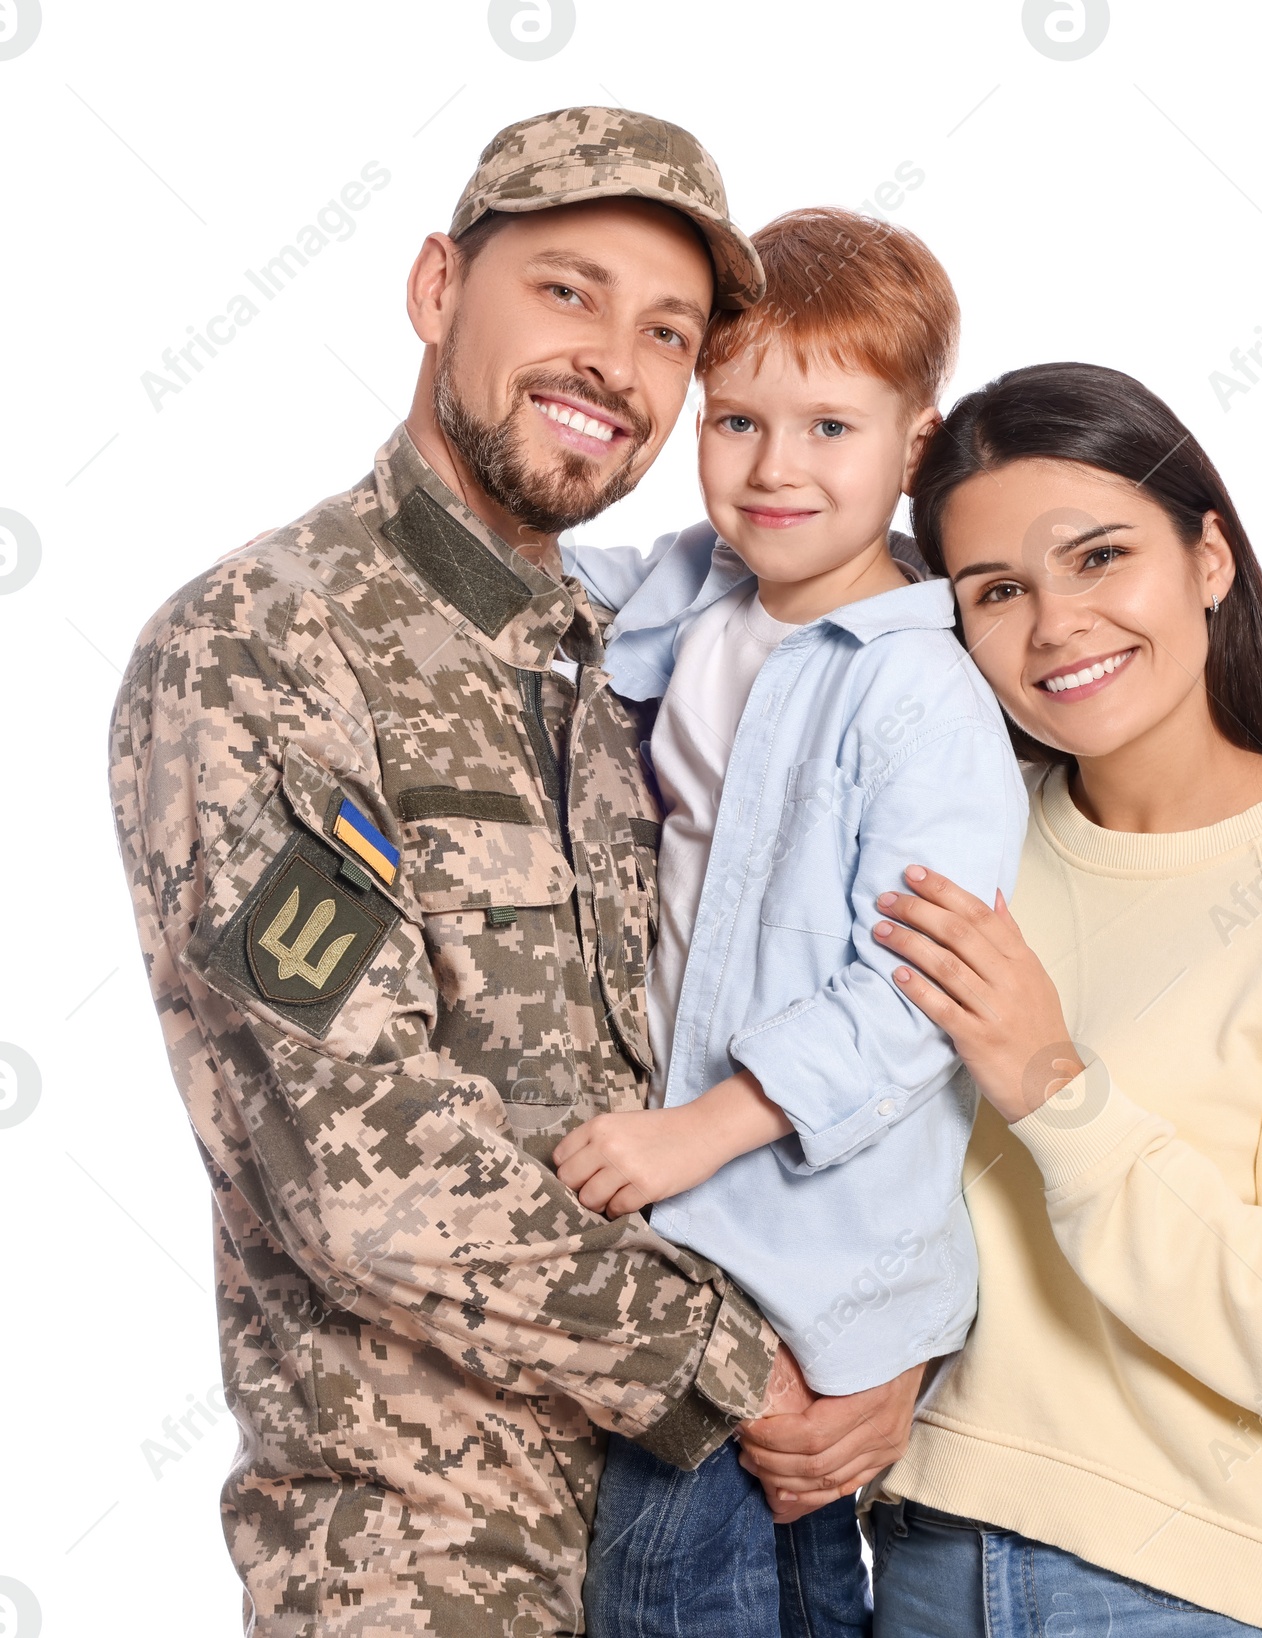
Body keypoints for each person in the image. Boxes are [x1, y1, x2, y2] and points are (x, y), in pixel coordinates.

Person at [108, 105, 866, 1637]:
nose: (615, 361)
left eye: (668, 331)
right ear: (437, 287)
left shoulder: (621, 662)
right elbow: (364, 1170)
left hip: (686, 1546)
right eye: (567, 292)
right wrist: (742, 1363)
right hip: (429, 1565)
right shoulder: (269, 640)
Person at [742, 363, 1262, 1637]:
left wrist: (1054, 1089)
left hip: (1205, 1587)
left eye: (1098, 558)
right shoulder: (959, 855)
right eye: (999, 591)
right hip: (921, 1558)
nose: (1057, 623)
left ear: (1209, 559)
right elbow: (898, 1206)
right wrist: (888, 1375)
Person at [552, 208, 1028, 1637]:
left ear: (913, 441)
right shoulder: (697, 590)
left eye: (830, 427)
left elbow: (917, 987)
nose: (775, 470)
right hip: (696, 1241)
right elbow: (551, 589)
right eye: (738, 419)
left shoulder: (919, 690)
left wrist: (703, 1126)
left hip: (787, 1254)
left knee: (668, 1590)